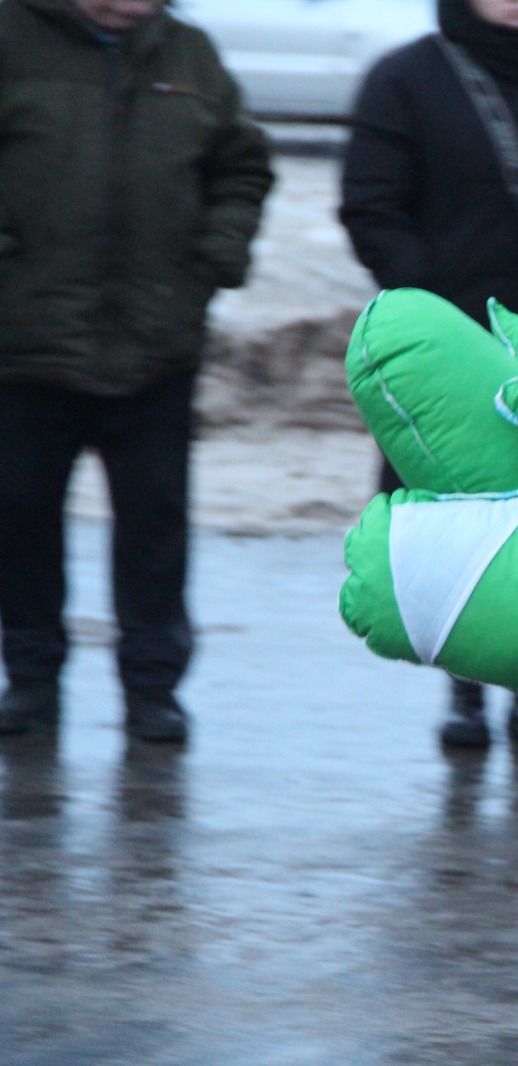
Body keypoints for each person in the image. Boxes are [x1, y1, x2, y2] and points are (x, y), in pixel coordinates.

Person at [340, 0, 518, 750]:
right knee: (460, 520)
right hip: (448, 358)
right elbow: (371, 205)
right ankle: (466, 689)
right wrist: (425, 297)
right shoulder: (405, 81)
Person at [0, 0, 273, 743]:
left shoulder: (190, 56)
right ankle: (29, 679)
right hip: (29, 341)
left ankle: (153, 687)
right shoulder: (14, 39)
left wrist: (215, 255)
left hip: (156, 340)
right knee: (21, 522)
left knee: (154, 527)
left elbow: (241, 167)